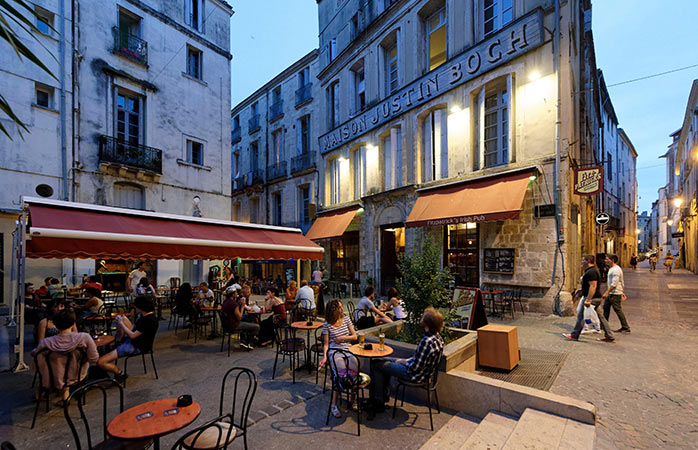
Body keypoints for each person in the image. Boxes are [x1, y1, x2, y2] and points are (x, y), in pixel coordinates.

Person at [369, 308, 444, 412]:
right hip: (424, 373)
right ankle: (383, 397)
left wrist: (403, 361)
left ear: (427, 322)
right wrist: (406, 360)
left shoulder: (426, 341)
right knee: (383, 359)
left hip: (413, 375)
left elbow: (414, 367)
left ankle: (377, 402)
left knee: (376, 364)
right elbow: (421, 359)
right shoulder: (438, 338)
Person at [31, 309, 99, 402]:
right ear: (73, 323)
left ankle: (47, 393)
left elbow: (36, 356)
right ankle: (66, 394)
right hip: (77, 375)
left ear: (55, 324)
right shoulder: (84, 337)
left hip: (54, 377)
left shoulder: (46, 342)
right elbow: (94, 359)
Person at [97, 296, 159, 385]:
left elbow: (132, 336)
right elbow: (134, 329)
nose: (135, 308)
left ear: (140, 307)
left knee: (101, 362)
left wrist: (122, 324)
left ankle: (120, 374)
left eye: (136, 306)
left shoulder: (149, 320)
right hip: (136, 341)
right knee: (121, 317)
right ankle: (117, 342)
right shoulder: (145, 315)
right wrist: (122, 321)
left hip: (137, 346)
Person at [320, 299, 358, 418]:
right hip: (334, 351)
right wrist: (325, 357)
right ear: (334, 310)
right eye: (340, 307)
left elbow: (355, 336)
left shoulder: (346, 319)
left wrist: (342, 338)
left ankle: (353, 399)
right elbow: (326, 344)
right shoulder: (327, 324)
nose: (342, 309)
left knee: (354, 371)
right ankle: (334, 405)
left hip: (348, 349)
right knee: (340, 374)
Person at [563, 255, 615, 342]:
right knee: (601, 317)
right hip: (596, 298)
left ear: (587, 261)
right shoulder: (592, 271)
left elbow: (593, 286)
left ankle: (575, 335)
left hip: (592, 298)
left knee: (581, 316)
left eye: (583, 260)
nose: (581, 262)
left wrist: (588, 299)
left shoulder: (591, 272)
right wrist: (581, 291)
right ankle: (610, 336)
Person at [603, 254, 630, 333]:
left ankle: (625, 327)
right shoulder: (612, 269)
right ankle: (604, 324)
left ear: (612, 260)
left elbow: (614, 283)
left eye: (607, 259)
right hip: (613, 292)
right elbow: (622, 282)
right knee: (606, 307)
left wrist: (607, 292)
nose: (605, 260)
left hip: (614, 293)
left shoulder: (616, 270)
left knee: (617, 309)